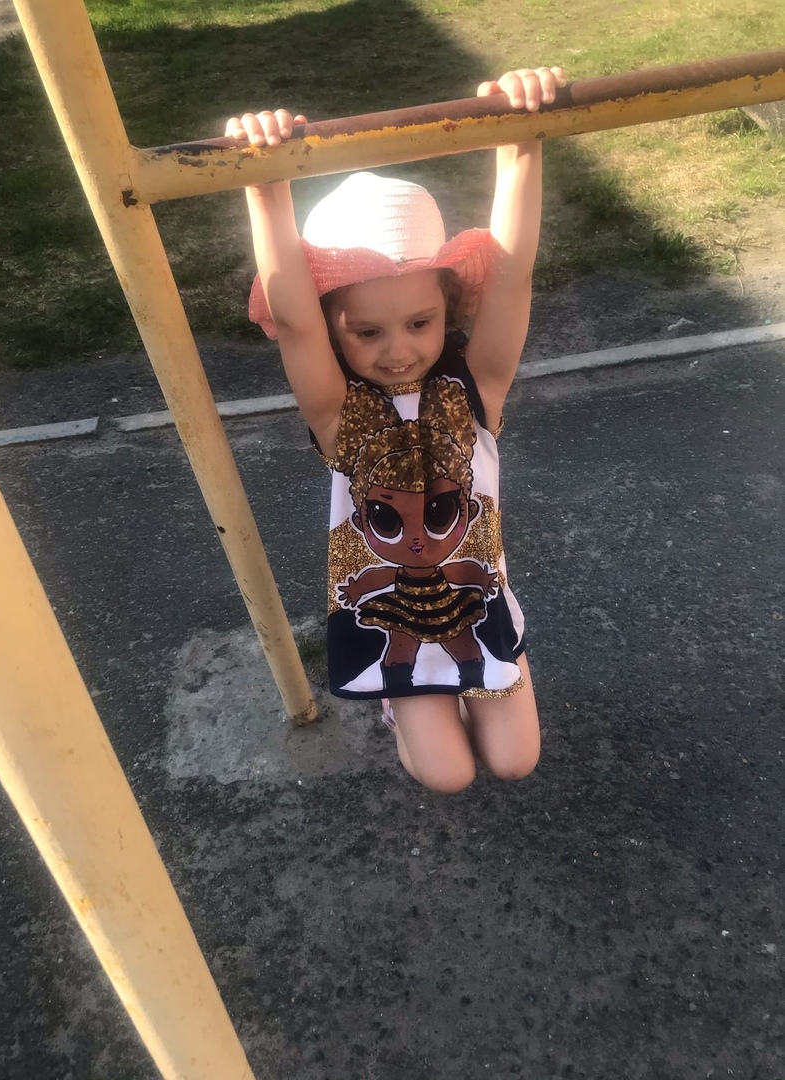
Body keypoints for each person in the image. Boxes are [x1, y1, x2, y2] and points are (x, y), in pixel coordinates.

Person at [226, 67, 566, 794]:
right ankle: (400, 706)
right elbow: (293, 320)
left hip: (477, 605)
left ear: (449, 309)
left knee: (515, 760)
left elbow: (512, 276)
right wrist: (265, 184)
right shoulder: (338, 413)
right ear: (334, 330)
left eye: (419, 322)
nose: (398, 349)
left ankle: (488, 669)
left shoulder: (476, 387)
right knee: (448, 775)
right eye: (367, 331)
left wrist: (521, 140)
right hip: (394, 622)